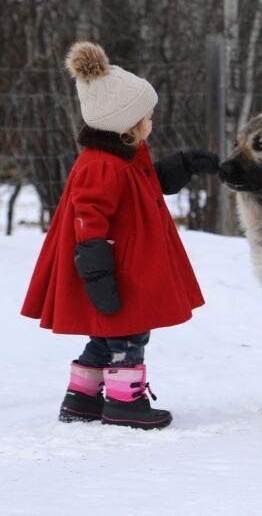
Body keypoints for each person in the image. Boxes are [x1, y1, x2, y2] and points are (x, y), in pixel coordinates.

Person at [21, 42, 218, 429]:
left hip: (129, 260)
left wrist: (184, 165)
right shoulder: (101, 167)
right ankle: (125, 403)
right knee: (129, 333)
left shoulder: (128, 155)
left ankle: (82, 398)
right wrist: (98, 277)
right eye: (147, 116)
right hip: (116, 266)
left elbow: (145, 186)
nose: (152, 122)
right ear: (124, 124)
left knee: (111, 331)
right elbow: (87, 223)